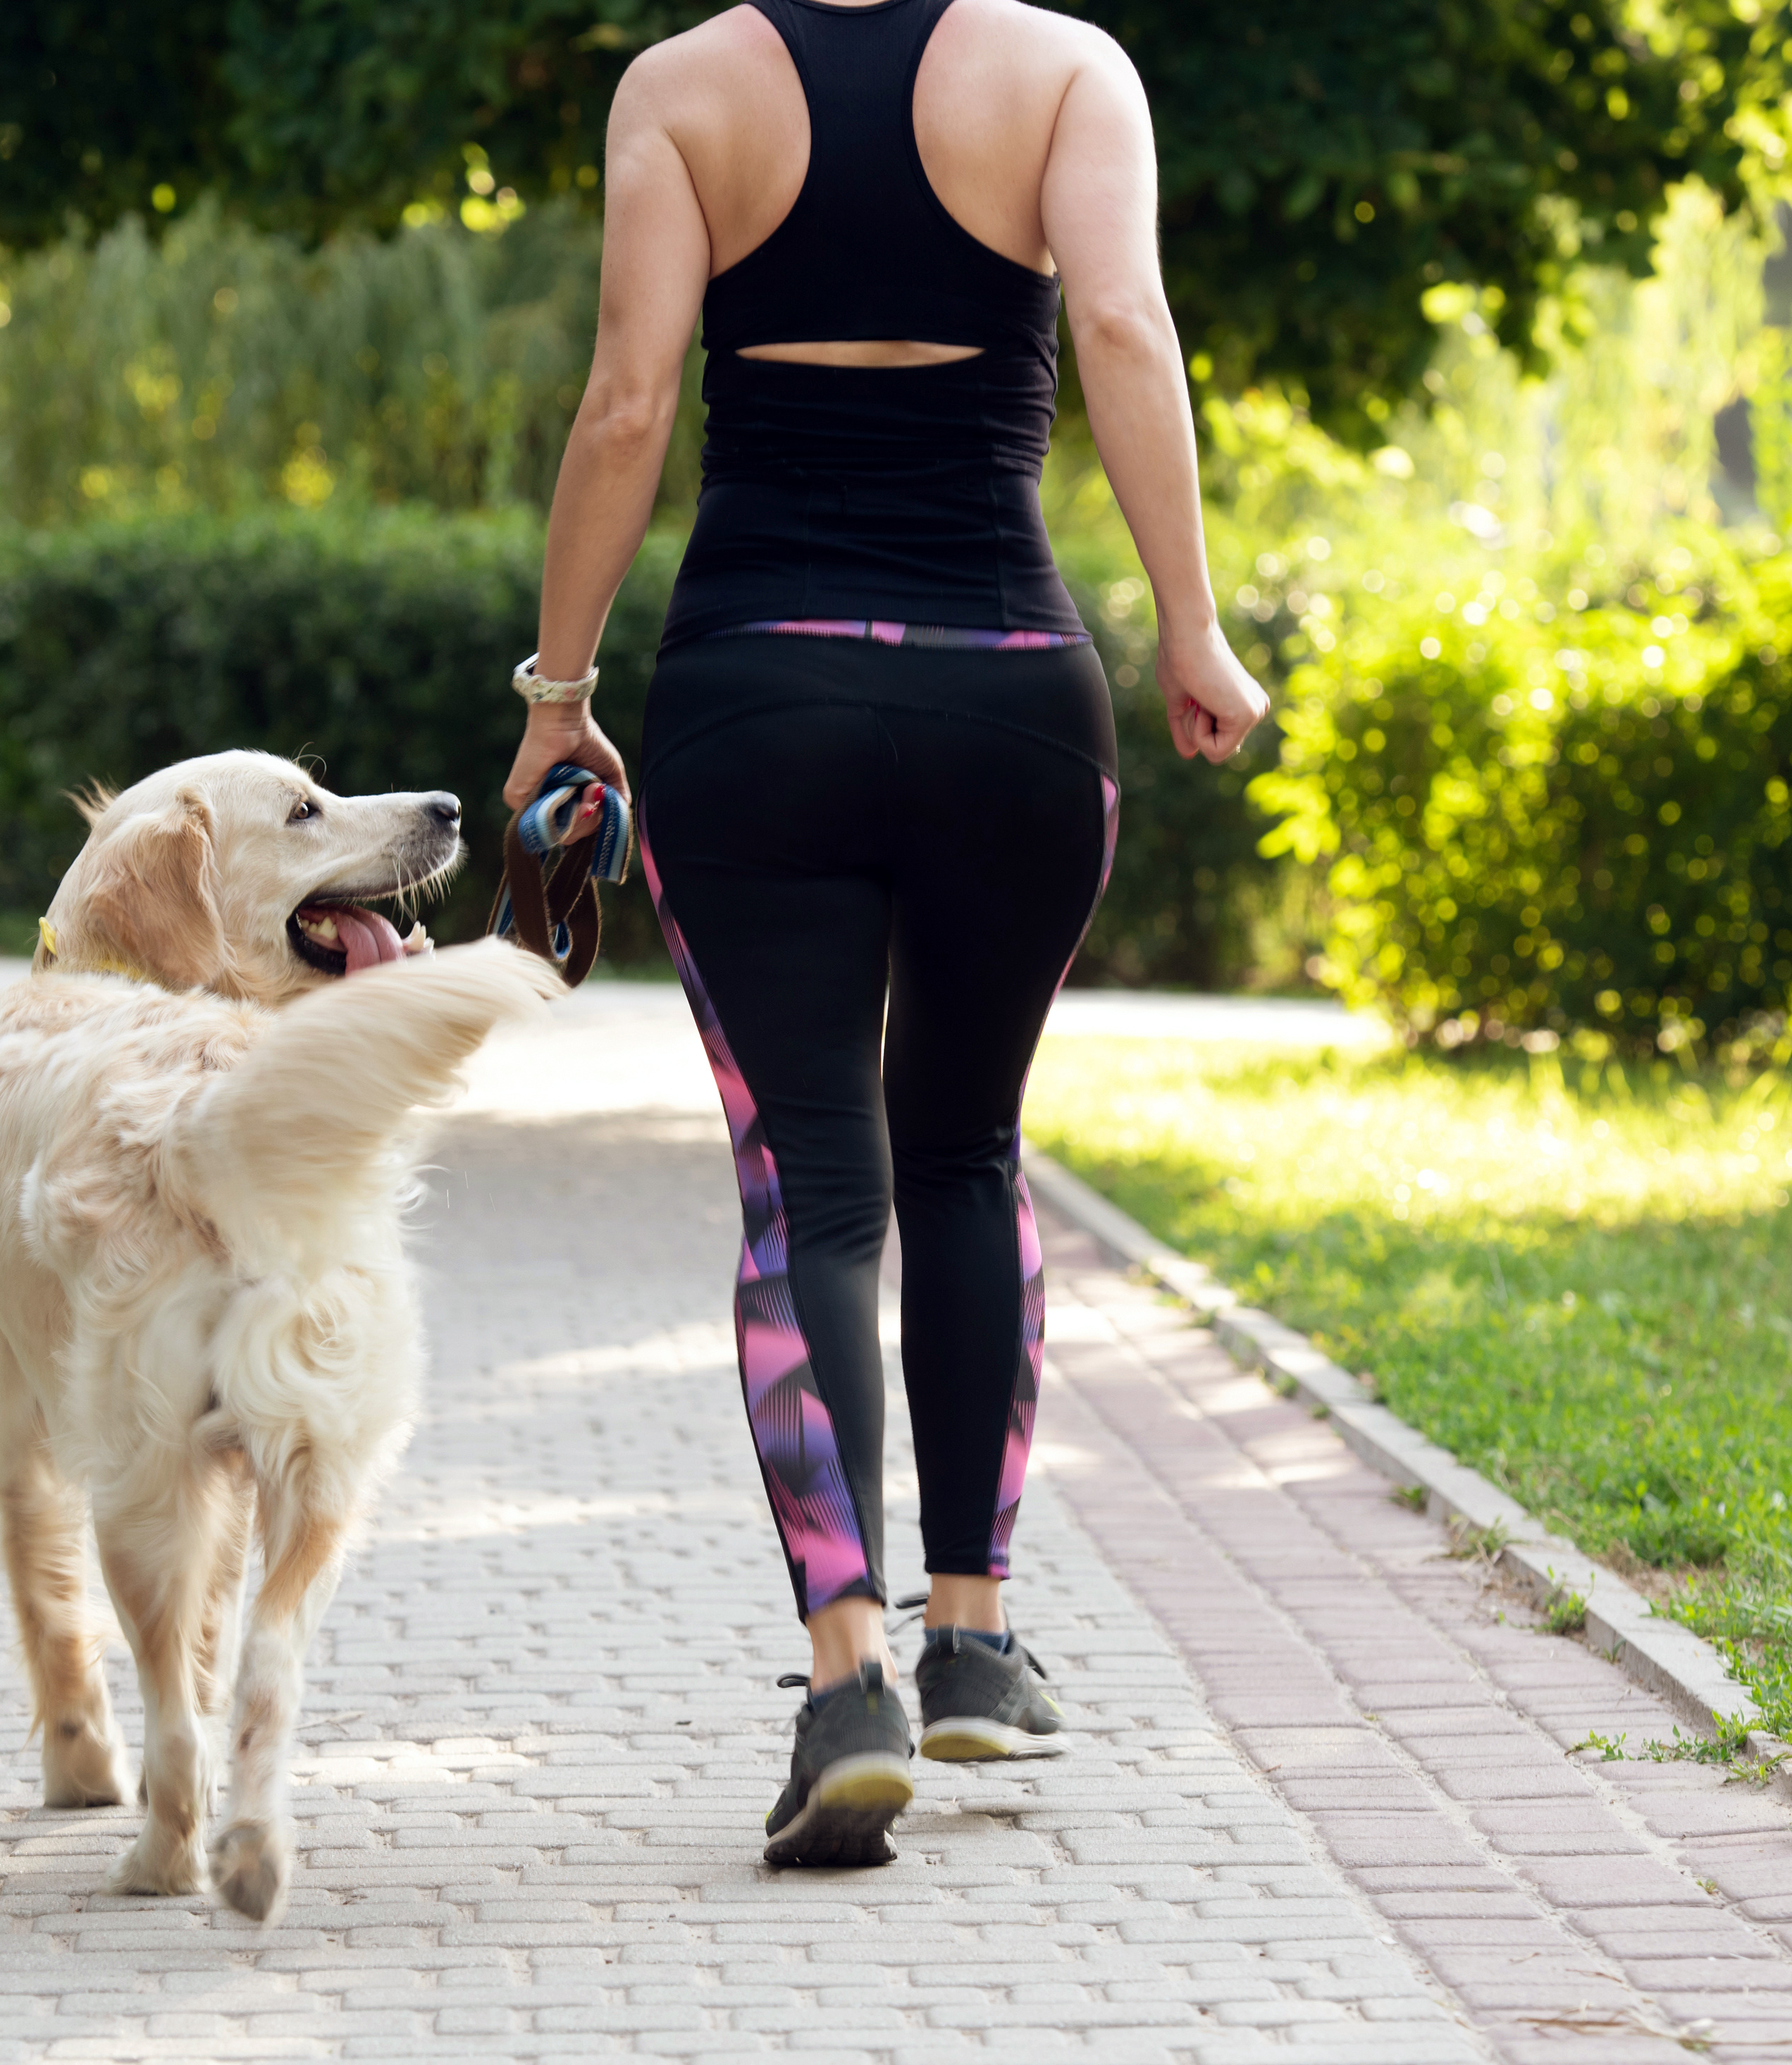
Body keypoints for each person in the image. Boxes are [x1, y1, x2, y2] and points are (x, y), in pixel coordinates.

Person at [501, 0, 1273, 1868]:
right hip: (1013, 694)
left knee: (810, 1190)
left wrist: (557, 689)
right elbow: (1120, 331)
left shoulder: (680, 93)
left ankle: (848, 1681)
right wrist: (1191, 623)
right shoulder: (1071, 70)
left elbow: (626, 401)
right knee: (967, 1147)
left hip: (752, 702)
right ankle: (974, 1636)